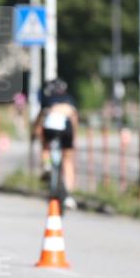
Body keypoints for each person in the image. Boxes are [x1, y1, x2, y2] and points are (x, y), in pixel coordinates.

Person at [33, 78, 79, 209]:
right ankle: (69, 194)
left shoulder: (48, 99)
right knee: (68, 159)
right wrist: (74, 138)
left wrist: (36, 132)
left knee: (45, 144)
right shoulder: (70, 99)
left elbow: (41, 118)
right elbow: (74, 119)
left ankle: (47, 165)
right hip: (67, 126)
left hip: (51, 126)